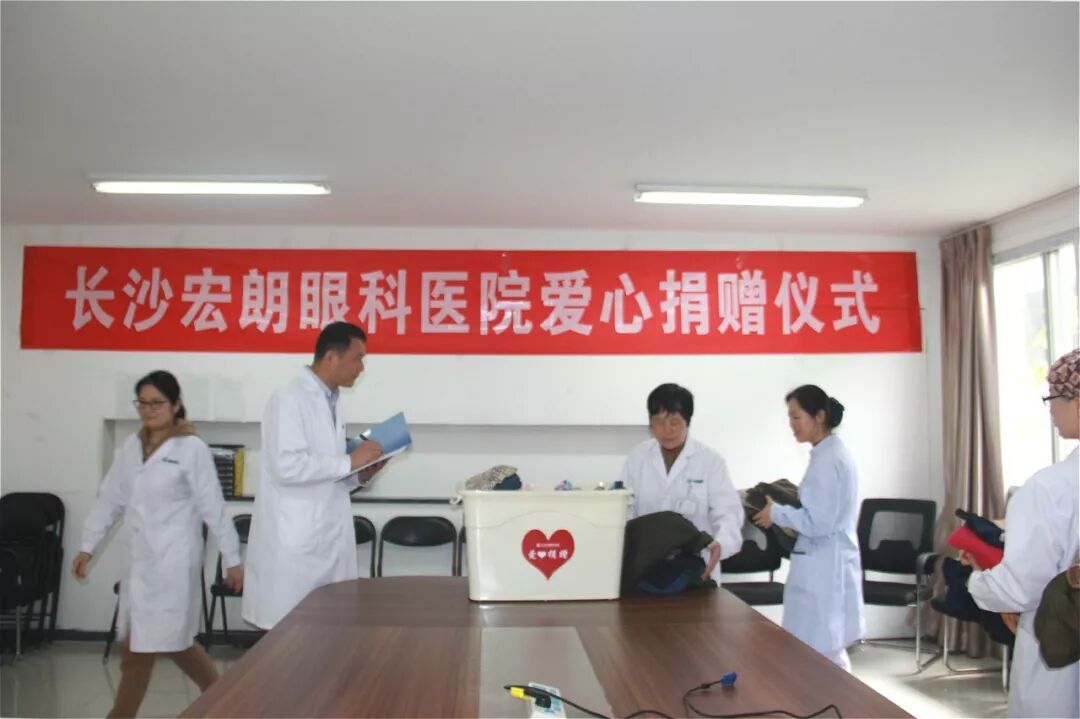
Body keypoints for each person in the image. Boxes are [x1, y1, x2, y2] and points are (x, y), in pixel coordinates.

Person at [72, 371, 243, 719]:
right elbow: (109, 500)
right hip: (140, 565)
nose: (149, 410)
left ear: (176, 405)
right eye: (143, 403)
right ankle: (231, 705)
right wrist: (87, 546)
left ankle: (229, 706)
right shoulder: (131, 449)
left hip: (173, 564)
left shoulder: (191, 449)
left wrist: (232, 559)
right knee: (159, 647)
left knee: (156, 648)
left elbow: (213, 507)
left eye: (157, 403)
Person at [242, 321, 387, 630]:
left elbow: (327, 469)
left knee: (328, 638)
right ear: (331, 357)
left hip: (326, 540)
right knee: (291, 643)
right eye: (358, 358)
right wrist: (349, 461)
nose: (361, 368)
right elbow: (287, 466)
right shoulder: (288, 398)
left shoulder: (332, 401)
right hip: (295, 544)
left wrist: (359, 474)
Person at [967, 347, 1079, 718]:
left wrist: (977, 579)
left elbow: (1020, 588)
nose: (1051, 409)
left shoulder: (1050, 488)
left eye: (1054, 398)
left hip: (1061, 652)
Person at [753, 385, 864, 670]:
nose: (791, 424)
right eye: (789, 417)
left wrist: (776, 513)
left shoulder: (828, 461)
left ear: (819, 416)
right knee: (822, 649)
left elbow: (818, 522)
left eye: (796, 417)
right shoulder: (829, 454)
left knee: (822, 651)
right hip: (828, 560)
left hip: (824, 565)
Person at [616, 383, 742, 582]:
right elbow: (625, 507)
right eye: (659, 422)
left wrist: (721, 543)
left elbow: (729, 513)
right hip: (646, 566)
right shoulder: (637, 457)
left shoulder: (710, 461)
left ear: (687, 422)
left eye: (674, 422)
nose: (667, 430)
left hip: (697, 568)